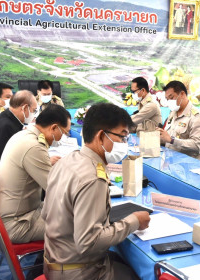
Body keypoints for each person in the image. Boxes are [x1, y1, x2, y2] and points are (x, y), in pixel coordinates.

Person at [42, 103, 150, 280]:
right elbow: (89, 242)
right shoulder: (93, 178)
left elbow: (45, 213)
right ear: (101, 136)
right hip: (80, 272)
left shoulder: (67, 160)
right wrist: (134, 221)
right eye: (122, 137)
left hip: (55, 262)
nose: (125, 144)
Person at [0, 104, 71, 243]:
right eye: (65, 133)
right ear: (53, 127)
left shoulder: (24, 135)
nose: (64, 137)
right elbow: (58, 190)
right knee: (81, 226)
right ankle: (63, 263)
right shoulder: (34, 146)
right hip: (18, 224)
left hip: (20, 212)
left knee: (66, 212)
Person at [0, 90, 37, 203]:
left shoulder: (8, 117)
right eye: (34, 111)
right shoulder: (6, 126)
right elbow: (10, 161)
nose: (34, 115)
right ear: (24, 108)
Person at [157, 81, 200, 160]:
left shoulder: (196, 116)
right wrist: (159, 136)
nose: (169, 101)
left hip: (189, 162)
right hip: (170, 158)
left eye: (171, 97)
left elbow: (198, 146)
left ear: (182, 94)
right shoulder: (173, 113)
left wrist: (172, 140)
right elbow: (167, 139)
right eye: (167, 99)